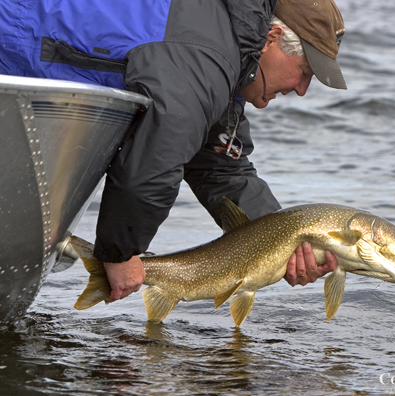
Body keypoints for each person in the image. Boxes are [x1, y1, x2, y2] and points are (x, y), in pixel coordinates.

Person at [0, 0, 348, 304]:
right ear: (271, 38)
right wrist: (119, 254)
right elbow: (151, 167)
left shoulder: (223, 52)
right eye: (304, 72)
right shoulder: (206, 59)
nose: (301, 91)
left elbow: (222, 169)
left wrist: (284, 245)